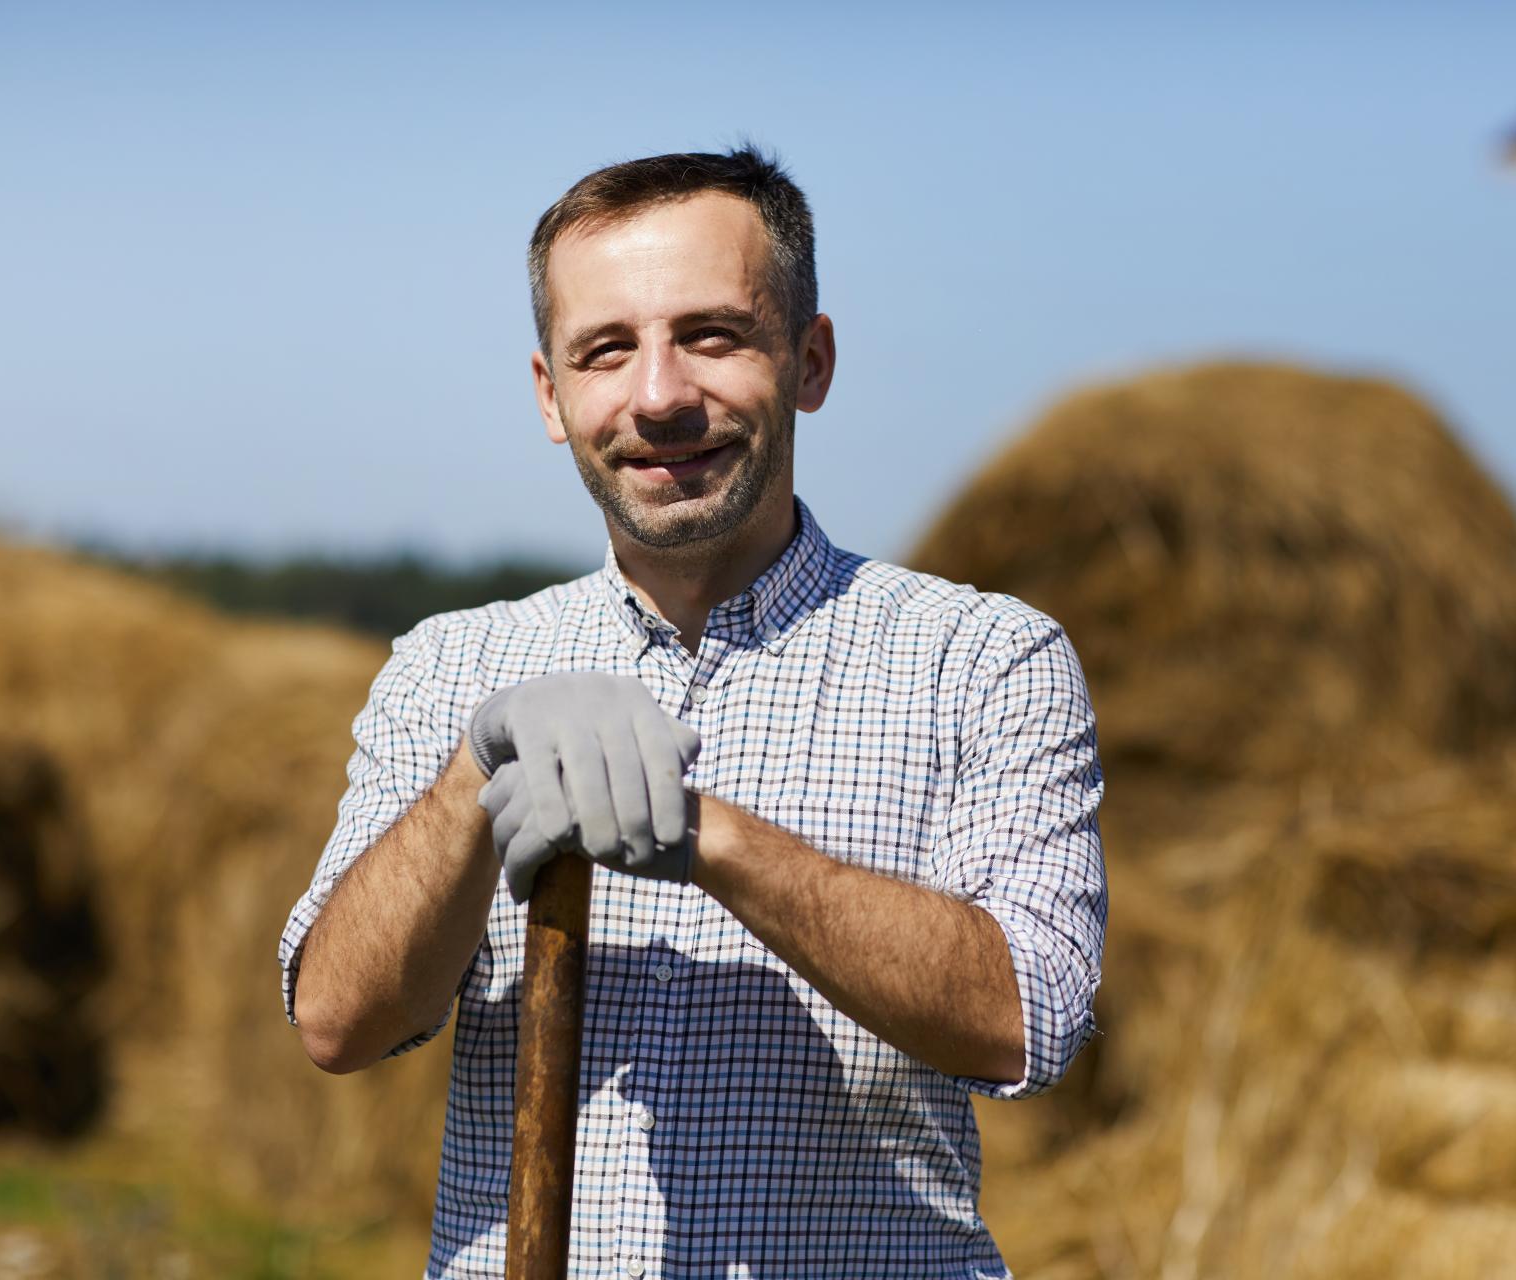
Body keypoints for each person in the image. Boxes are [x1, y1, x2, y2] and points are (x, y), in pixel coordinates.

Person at [280, 146, 1106, 1279]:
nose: (660, 395)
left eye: (712, 335)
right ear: (550, 396)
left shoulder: (984, 657)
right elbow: (336, 1019)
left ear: (810, 360)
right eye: (606, 350)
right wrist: (480, 778)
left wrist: (706, 834)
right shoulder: (451, 663)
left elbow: (1028, 1014)